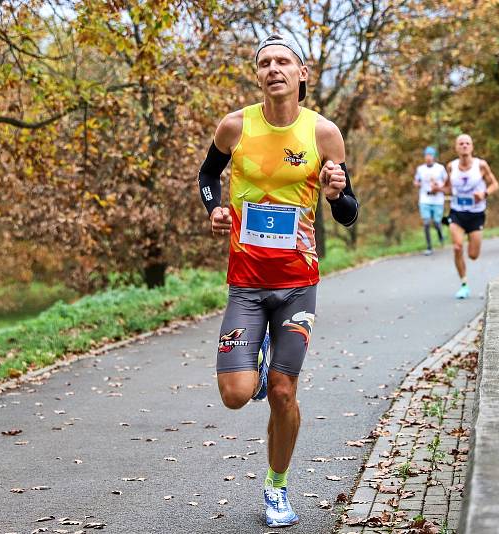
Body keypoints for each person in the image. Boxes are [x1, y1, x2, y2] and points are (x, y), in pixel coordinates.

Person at [197, 34, 359, 528]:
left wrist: (335, 196)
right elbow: (208, 175)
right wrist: (216, 208)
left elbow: (349, 213)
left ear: (301, 73)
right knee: (235, 394)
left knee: (285, 393)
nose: (273, 69)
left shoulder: (324, 134)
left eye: (283, 61)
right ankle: (259, 369)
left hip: (297, 283)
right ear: (258, 74)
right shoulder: (235, 126)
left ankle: (276, 486)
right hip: (245, 282)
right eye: (264, 62)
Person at [436, 134, 499, 299]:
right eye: (461, 143)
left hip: (476, 214)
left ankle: (470, 255)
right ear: (456, 148)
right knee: (457, 247)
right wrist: (438, 189)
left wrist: (484, 193)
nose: (464, 146)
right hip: (457, 213)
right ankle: (464, 284)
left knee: (473, 255)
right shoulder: (451, 167)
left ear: (472, 147)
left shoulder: (481, 165)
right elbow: (448, 188)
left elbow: (495, 184)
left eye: (467, 143)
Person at [414, 146, 446, 255]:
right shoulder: (420, 169)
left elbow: (447, 182)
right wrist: (417, 184)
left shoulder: (440, 168)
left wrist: (439, 186)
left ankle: (440, 234)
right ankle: (429, 247)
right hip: (425, 199)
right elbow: (416, 181)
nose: (428, 158)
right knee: (426, 223)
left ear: (434, 157)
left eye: (430, 155)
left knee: (437, 223)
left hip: (437, 199)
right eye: (426, 155)